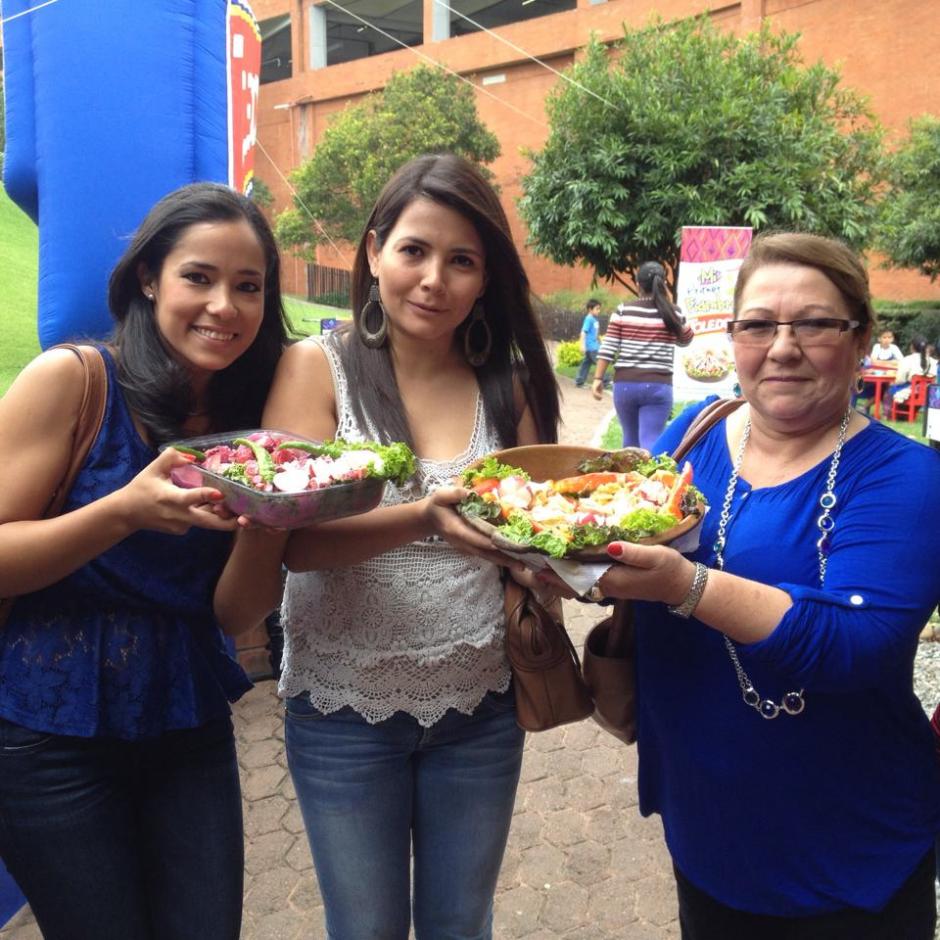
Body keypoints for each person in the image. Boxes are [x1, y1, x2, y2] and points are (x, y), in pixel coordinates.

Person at [215, 153, 561, 939]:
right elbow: (291, 543)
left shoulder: (506, 385)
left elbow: (537, 535)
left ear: (485, 279)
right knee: (365, 929)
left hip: (482, 704)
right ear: (374, 253)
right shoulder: (318, 370)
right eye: (415, 251)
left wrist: (563, 564)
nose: (434, 279)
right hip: (342, 710)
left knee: (459, 924)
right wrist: (427, 518)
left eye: (462, 260)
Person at [581, 233, 940, 938]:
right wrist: (578, 564)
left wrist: (685, 585)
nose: (782, 346)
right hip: (704, 826)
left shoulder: (908, 478)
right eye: (758, 325)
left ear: (861, 337)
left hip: (847, 852)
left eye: (812, 323)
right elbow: (625, 531)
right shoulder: (692, 432)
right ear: (733, 334)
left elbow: (858, 644)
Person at [0, 182, 289, 940]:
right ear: (149, 279)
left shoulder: (248, 424)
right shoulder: (75, 380)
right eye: (199, 276)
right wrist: (122, 512)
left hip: (185, 719)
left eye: (248, 286)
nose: (224, 305)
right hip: (47, 730)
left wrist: (272, 516)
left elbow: (233, 614)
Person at [592, 261, 694, 449]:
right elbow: (686, 339)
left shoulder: (624, 310)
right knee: (651, 441)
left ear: (638, 285)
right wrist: (672, 309)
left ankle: (627, 478)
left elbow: (608, 347)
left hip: (625, 386)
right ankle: (654, 478)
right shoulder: (673, 313)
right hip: (658, 386)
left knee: (629, 440)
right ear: (663, 284)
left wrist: (598, 378)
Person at [884, 335, 938, 411]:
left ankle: (888, 414)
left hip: (911, 390)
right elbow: (934, 380)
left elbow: (900, 380)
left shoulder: (907, 360)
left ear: (912, 347)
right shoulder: (933, 361)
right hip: (927, 391)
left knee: (889, 390)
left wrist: (893, 382)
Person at [574, 298, 602, 387]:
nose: (599, 311)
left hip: (594, 346)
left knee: (586, 364)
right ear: (590, 309)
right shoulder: (588, 319)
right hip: (591, 347)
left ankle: (579, 381)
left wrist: (601, 343)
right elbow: (583, 332)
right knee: (600, 363)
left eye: (599, 309)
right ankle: (606, 381)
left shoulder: (595, 320)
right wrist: (582, 345)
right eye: (597, 309)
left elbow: (596, 333)